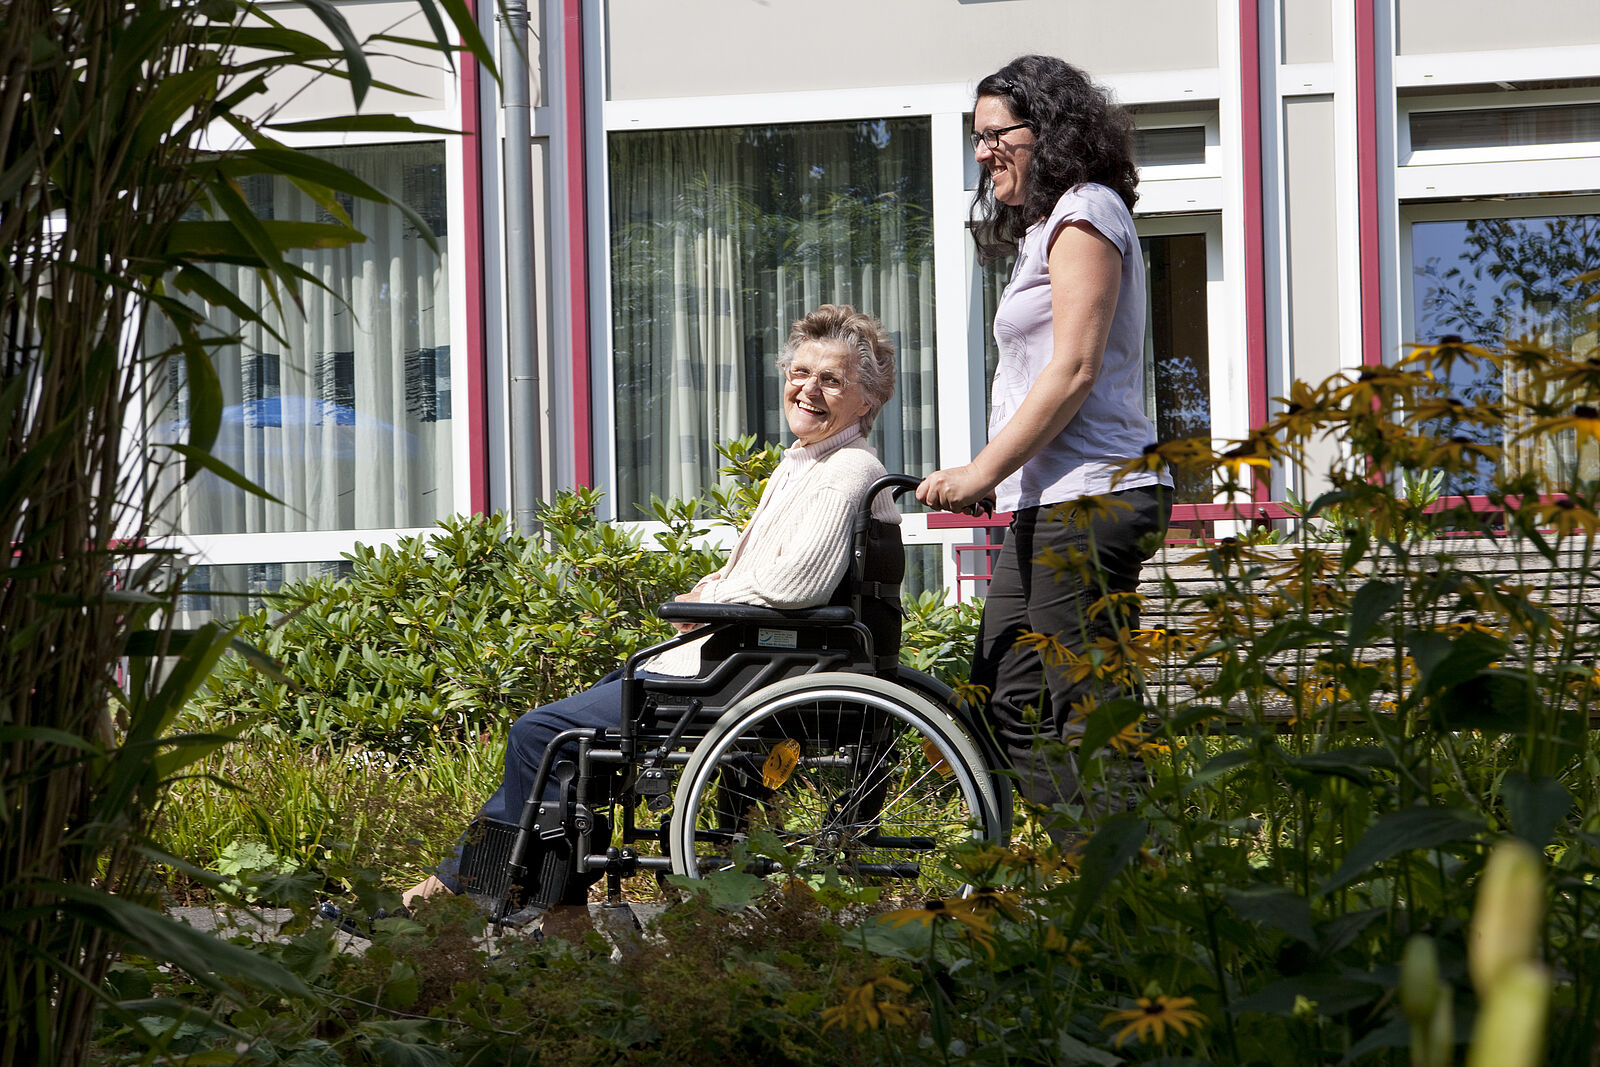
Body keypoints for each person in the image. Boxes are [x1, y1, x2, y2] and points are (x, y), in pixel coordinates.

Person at [405, 304, 901, 910]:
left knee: (541, 735)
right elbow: (757, 572)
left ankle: (460, 892)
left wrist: (713, 600)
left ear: (867, 400)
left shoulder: (847, 469)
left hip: (745, 671)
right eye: (801, 372)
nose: (809, 390)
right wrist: (710, 589)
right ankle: (507, 899)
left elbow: (795, 585)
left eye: (832, 380)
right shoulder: (802, 466)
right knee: (577, 752)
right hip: (734, 660)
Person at [916, 55, 1172, 825]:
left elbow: (1073, 369)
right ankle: (1084, 872)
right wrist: (1007, 471)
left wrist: (980, 468)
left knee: (1090, 708)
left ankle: (1138, 899)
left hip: (1096, 495)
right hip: (1052, 497)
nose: (983, 151)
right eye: (977, 138)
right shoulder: (1042, 229)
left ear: (1050, 130)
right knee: (1007, 697)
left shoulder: (1086, 210)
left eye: (997, 134)